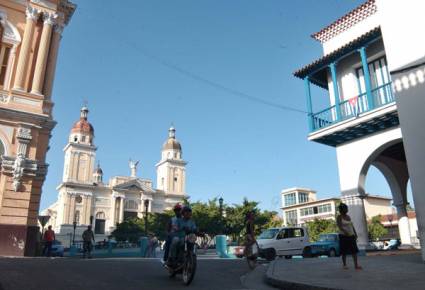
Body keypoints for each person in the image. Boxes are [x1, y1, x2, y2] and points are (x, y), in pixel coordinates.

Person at [336, 203, 362, 270]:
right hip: (343, 236)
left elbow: (351, 226)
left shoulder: (348, 216)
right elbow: (339, 226)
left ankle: (356, 265)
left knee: (354, 251)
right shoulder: (339, 217)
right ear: (342, 209)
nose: (347, 209)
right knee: (344, 251)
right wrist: (345, 232)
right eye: (346, 208)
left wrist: (355, 233)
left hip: (351, 235)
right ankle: (344, 265)